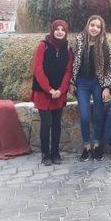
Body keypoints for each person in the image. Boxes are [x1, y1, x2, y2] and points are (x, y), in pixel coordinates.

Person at [31, 20, 74, 165]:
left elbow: (68, 71)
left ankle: (55, 153)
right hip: (43, 92)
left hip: (59, 94)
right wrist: (49, 89)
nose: (60, 32)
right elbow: (38, 69)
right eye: (57, 29)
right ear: (52, 30)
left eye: (63, 29)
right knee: (46, 123)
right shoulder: (43, 45)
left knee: (56, 124)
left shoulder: (68, 49)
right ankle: (45, 154)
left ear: (66, 32)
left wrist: (61, 90)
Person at [71, 15, 111, 162]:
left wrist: (107, 87)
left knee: (99, 115)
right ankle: (87, 146)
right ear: (87, 25)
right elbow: (73, 63)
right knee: (85, 116)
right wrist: (72, 82)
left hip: (97, 83)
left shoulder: (105, 45)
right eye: (92, 25)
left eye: (98, 26)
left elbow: (108, 68)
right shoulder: (79, 41)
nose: (94, 28)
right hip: (82, 83)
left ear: (101, 29)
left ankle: (97, 145)